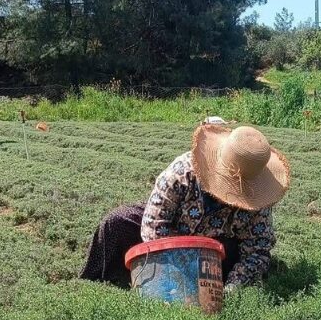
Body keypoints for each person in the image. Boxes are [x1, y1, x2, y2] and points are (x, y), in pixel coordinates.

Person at [80, 124, 291, 292]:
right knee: (117, 222)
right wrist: (181, 270)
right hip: (170, 233)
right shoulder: (181, 173)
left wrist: (231, 288)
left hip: (216, 247)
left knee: (237, 261)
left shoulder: (258, 201)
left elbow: (257, 250)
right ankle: (99, 282)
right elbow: (154, 226)